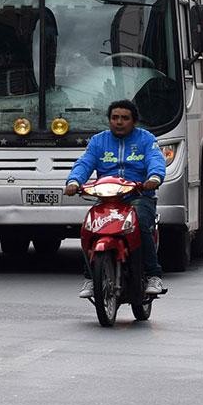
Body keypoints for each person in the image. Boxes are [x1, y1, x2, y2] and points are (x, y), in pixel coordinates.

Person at [63, 99, 168, 297]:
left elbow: (156, 161)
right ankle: (90, 278)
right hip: (106, 199)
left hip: (138, 197)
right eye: (115, 118)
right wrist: (74, 182)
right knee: (88, 228)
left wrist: (154, 177)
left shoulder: (146, 140)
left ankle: (153, 275)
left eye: (124, 118)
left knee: (142, 224)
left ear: (134, 121)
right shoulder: (98, 141)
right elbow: (85, 163)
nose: (119, 122)